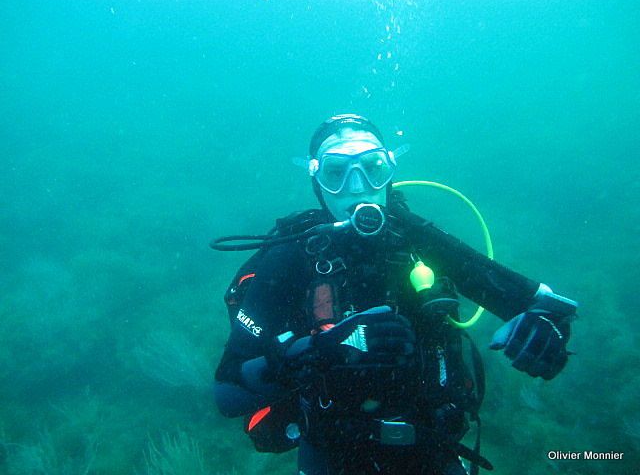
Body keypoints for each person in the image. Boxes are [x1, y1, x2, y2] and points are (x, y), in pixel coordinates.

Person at [212, 114, 577, 475]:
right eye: (336, 172)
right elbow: (227, 392)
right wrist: (315, 352)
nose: (358, 186)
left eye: (372, 167)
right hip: (332, 458)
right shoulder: (290, 257)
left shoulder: (418, 241)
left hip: (434, 449)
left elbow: (538, 307)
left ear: (389, 172)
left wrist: (547, 334)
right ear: (317, 182)